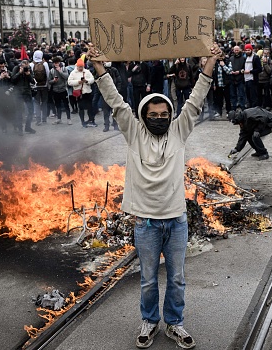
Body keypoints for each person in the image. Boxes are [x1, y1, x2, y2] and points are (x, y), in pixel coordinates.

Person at [87, 43, 223, 350]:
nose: (160, 118)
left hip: (176, 221)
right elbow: (115, 101)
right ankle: (149, 322)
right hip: (146, 223)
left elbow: (196, 99)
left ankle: (174, 324)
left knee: (176, 279)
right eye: (154, 114)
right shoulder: (134, 133)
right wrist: (99, 67)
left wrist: (210, 62)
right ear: (143, 115)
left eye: (164, 113)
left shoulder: (178, 131)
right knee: (148, 280)